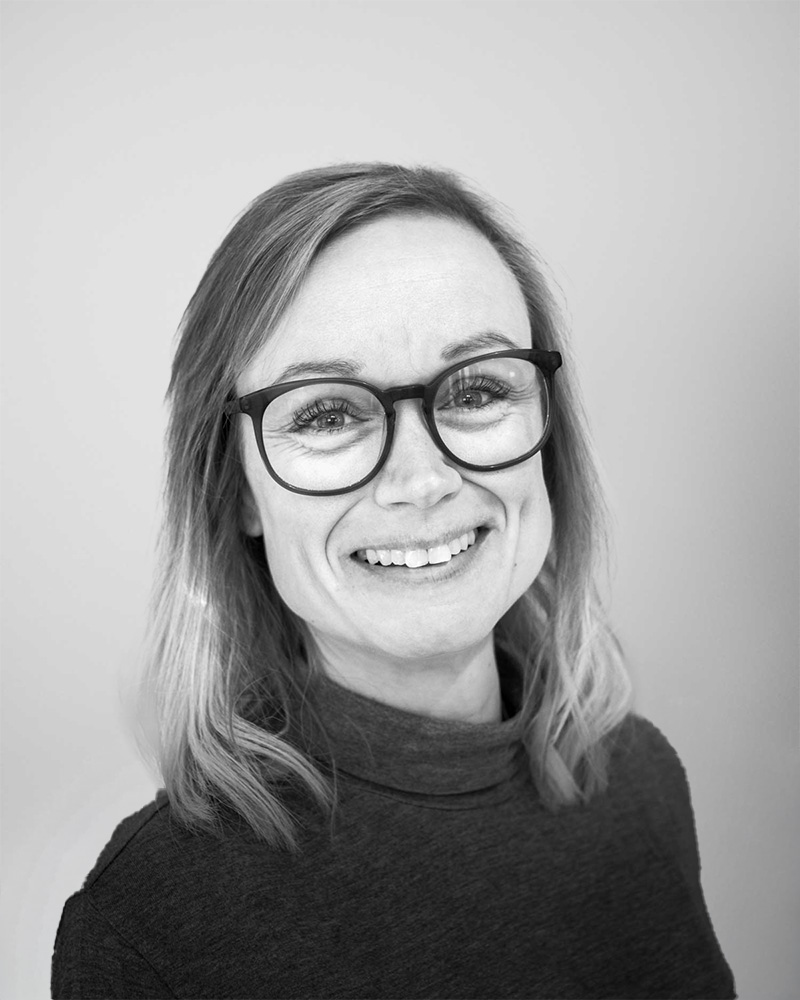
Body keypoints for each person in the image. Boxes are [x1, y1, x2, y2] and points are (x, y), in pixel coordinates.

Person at [51, 163, 736, 999]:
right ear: (237, 493)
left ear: (549, 438)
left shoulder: (642, 781)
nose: (422, 480)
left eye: (478, 390)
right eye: (328, 413)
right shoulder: (149, 920)